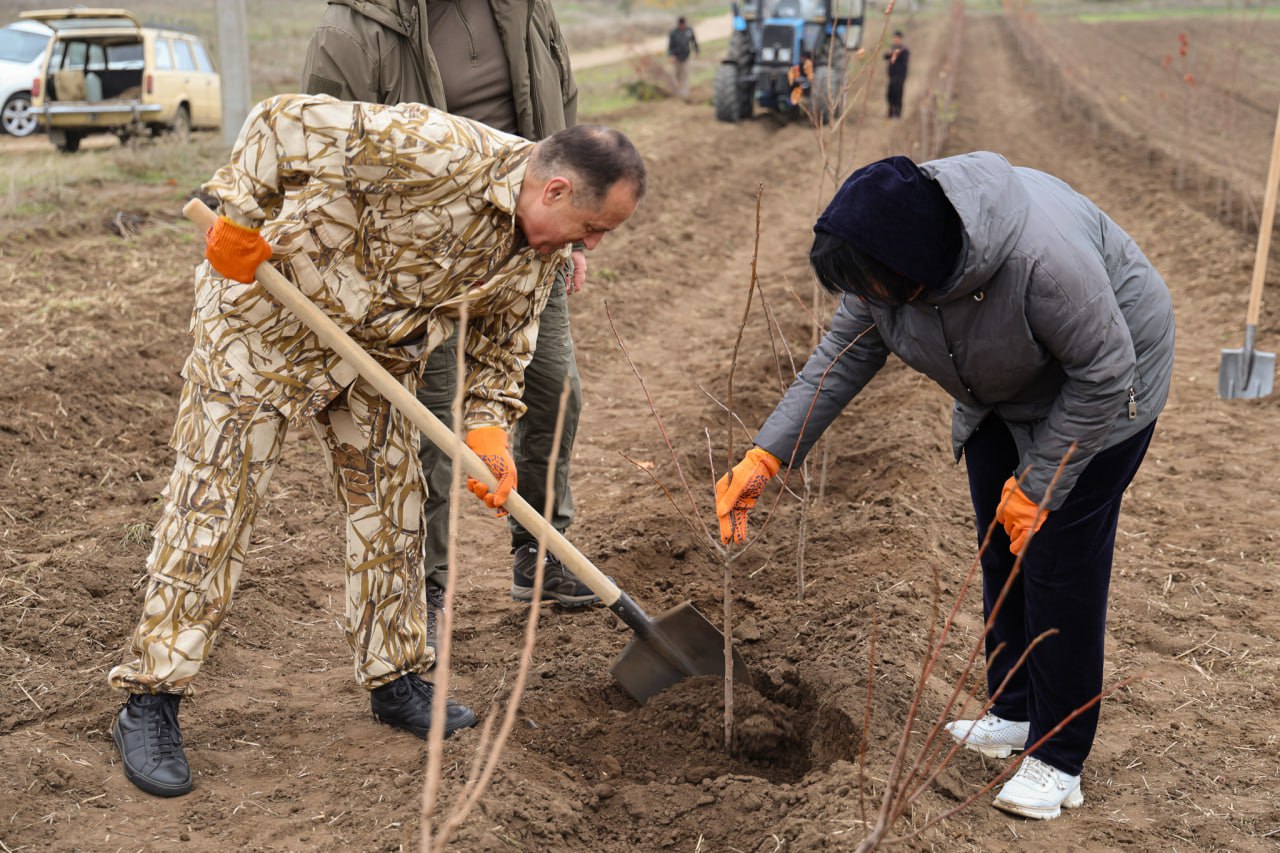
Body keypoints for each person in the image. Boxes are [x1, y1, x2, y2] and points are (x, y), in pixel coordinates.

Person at [108, 93, 646, 798]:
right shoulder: (434, 147)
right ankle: (151, 697)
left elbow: (504, 348)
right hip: (262, 326)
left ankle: (395, 679)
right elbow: (279, 121)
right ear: (554, 189)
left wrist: (486, 426)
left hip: (376, 355)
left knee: (394, 513)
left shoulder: (539, 250)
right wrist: (236, 214)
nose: (590, 246)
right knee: (214, 510)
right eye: (591, 227)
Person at [716, 153, 1174, 820]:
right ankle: (1016, 709)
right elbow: (838, 357)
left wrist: (1041, 482)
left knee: (1057, 565)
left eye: (874, 287)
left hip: (1106, 388)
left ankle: (1057, 757)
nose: (867, 299)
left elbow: (1104, 370)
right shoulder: (888, 258)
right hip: (996, 381)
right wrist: (768, 455)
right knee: (1001, 545)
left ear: (919, 265)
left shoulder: (1044, 263)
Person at [300, 0, 603, 619]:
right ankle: (425, 591)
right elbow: (319, 150)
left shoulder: (525, 9)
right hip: (417, 266)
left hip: (527, 242)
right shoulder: (355, 27)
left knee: (553, 388)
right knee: (429, 426)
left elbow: (561, 110)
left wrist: (567, 231)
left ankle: (540, 553)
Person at [667, 16, 700, 100]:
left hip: (685, 56)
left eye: (683, 25)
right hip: (676, 57)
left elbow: (694, 41)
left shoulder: (689, 30)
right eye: (680, 25)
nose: (682, 26)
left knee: (684, 74)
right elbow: (670, 46)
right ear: (678, 24)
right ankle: (677, 91)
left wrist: (696, 51)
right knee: (676, 75)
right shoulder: (673, 33)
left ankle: (684, 94)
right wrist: (671, 55)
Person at [884, 30, 909, 118]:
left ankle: (897, 113)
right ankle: (891, 111)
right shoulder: (892, 48)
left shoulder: (904, 50)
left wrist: (896, 55)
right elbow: (885, 56)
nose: (896, 40)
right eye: (895, 38)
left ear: (900, 39)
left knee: (898, 94)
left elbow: (905, 60)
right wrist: (890, 53)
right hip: (892, 75)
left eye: (897, 38)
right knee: (890, 94)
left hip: (900, 76)